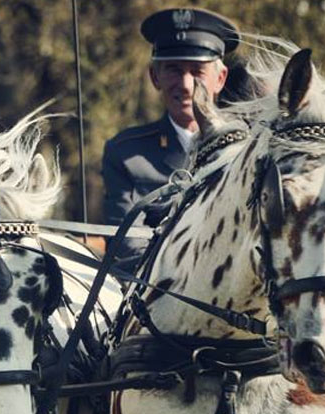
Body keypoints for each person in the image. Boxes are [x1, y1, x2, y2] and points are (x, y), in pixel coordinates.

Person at [100, 8, 240, 262]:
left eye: (197, 71)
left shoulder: (247, 148)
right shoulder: (128, 155)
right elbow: (128, 247)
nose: (186, 85)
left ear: (220, 79)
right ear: (155, 77)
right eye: (174, 70)